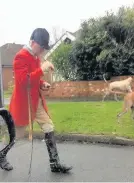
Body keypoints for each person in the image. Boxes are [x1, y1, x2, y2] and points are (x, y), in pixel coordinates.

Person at [9, 28, 72, 173]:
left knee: (49, 127)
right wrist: (42, 69)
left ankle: (55, 163)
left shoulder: (36, 58)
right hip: (24, 105)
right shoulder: (20, 56)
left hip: (36, 103)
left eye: (44, 47)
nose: (42, 50)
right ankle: (2, 155)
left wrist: (43, 84)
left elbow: (35, 79)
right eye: (41, 47)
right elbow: (23, 81)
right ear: (32, 42)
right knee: (15, 137)